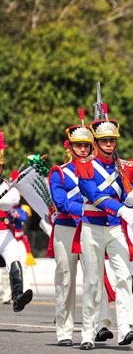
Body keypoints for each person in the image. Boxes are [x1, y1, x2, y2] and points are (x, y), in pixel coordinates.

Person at [76, 113, 133, 349]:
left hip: (114, 229)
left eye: (112, 140)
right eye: (104, 141)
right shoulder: (84, 167)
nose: (109, 144)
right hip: (92, 227)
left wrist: (130, 197)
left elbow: (124, 193)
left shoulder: (121, 167)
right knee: (93, 282)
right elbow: (95, 196)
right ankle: (88, 332)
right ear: (96, 142)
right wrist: (122, 210)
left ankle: (125, 328)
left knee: (124, 276)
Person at [48, 115, 114, 346]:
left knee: (94, 279)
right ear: (70, 147)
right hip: (67, 229)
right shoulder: (60, 172)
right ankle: (64, 331)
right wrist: (89, 206)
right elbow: (61, 203)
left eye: (87, 145)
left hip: (90, 228)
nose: (84, 149)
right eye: (79, 145)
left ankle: (97, 326)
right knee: (66, 281)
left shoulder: (99, 171)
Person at [0, 130, 33, 313]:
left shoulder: (6, 185)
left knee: (15, 257)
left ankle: (17, 296)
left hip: (4, 233)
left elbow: (12, 199)